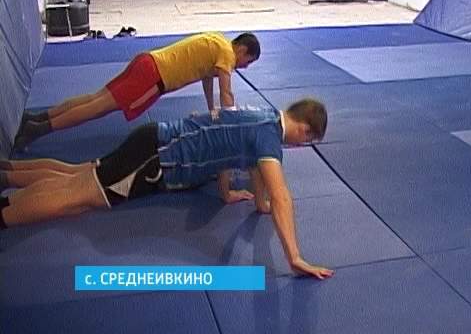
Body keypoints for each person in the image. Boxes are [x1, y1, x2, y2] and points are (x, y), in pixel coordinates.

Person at [1, 99, 334, 280]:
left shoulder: (261, 115)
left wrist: (238, 197)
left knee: (77, 183)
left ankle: (8, 187)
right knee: (75, 198)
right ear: (304, 129)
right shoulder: (269, 137)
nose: (300, 146)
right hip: (154, 157)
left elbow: (235, 155)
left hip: (150, 144)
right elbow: (281, 195)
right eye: (307, 140)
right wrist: (294, 257)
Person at [15, 32, 261, 148]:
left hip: (147, 61)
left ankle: (37, 117)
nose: (245, 67)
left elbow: (208, 80)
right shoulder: (228, 55)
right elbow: (227, 92)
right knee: (98, 108)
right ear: (242, 50)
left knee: (95, 98)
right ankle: (37, 130)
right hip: (153, 78)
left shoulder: (218, 41)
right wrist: (233, 123)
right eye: (248, 62)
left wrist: (212, 110)